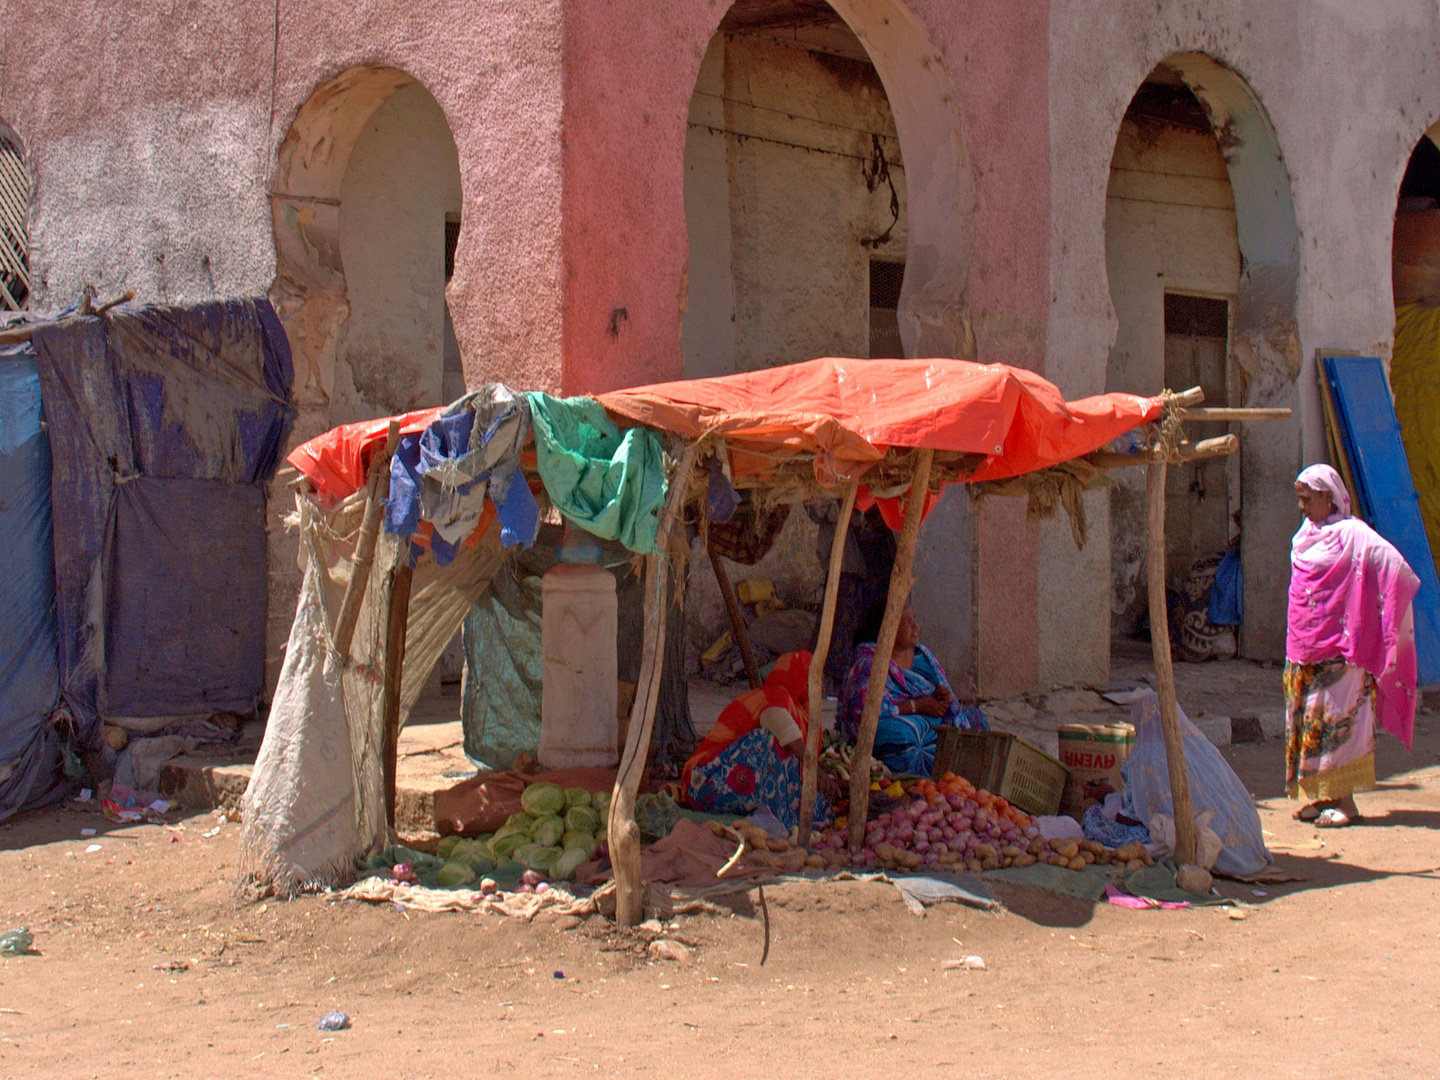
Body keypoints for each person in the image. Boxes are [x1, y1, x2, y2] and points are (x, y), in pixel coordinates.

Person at [1285, 464, 1420, 827]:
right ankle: (1323, 796)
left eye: (1308, 499)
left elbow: (1398, 569)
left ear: (1329, 497)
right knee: (1313, 722)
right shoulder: (1308, 534)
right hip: (1305, 649)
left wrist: (1372, 615)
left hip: (1341, 655)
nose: (1302, 506)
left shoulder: (1354, 534)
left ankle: (1346, 803)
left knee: (1340, 725)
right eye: (1300, 499)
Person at [681, 651, 836, 830]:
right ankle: (777, 814)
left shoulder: (798, 709)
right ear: (799, 677)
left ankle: (781, 813)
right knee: (767, 742)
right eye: (816, 680)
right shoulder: (772, 697)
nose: (822, 688)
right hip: (706, 780)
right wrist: (818, 771)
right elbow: (787, 733)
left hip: (735, 782)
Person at [837, 602, 986, 775]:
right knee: (906, 736)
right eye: (908, 622)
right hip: (895, 721)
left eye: (914, 619)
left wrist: (943, 696)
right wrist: (918, 705)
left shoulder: (923, 654)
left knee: (976, 718)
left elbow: (940, 689)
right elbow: (865, 713)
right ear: (889, 628)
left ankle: (965, 778)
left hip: (930, 716)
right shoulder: (869, 663)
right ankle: (916, 784)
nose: (916, 626)